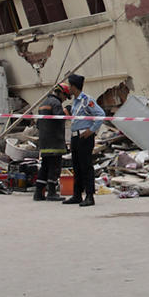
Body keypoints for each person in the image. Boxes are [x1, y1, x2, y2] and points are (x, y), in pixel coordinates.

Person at [62, 74, 105, 208]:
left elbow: (100, 114)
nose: (68, 88)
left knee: (86, 166)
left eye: (69, 85)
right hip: (75, 137)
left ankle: (89, 196)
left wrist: (91, 130)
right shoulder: (75, 102)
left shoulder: (86, 100)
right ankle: (77, 194)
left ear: (74, 86)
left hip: (84, 137)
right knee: (77, 166)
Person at [35, 82, 70, 202]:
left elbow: (38, 124)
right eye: (65, 96)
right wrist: (67, 112)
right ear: (60, 93)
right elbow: (59, 119)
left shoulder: (43, 103)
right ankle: (52, 192)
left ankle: (38, 193)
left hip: (44, 141)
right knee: (55, 167)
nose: (65, 99)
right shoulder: (56, 103)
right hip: (55, 141)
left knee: (44, 166)